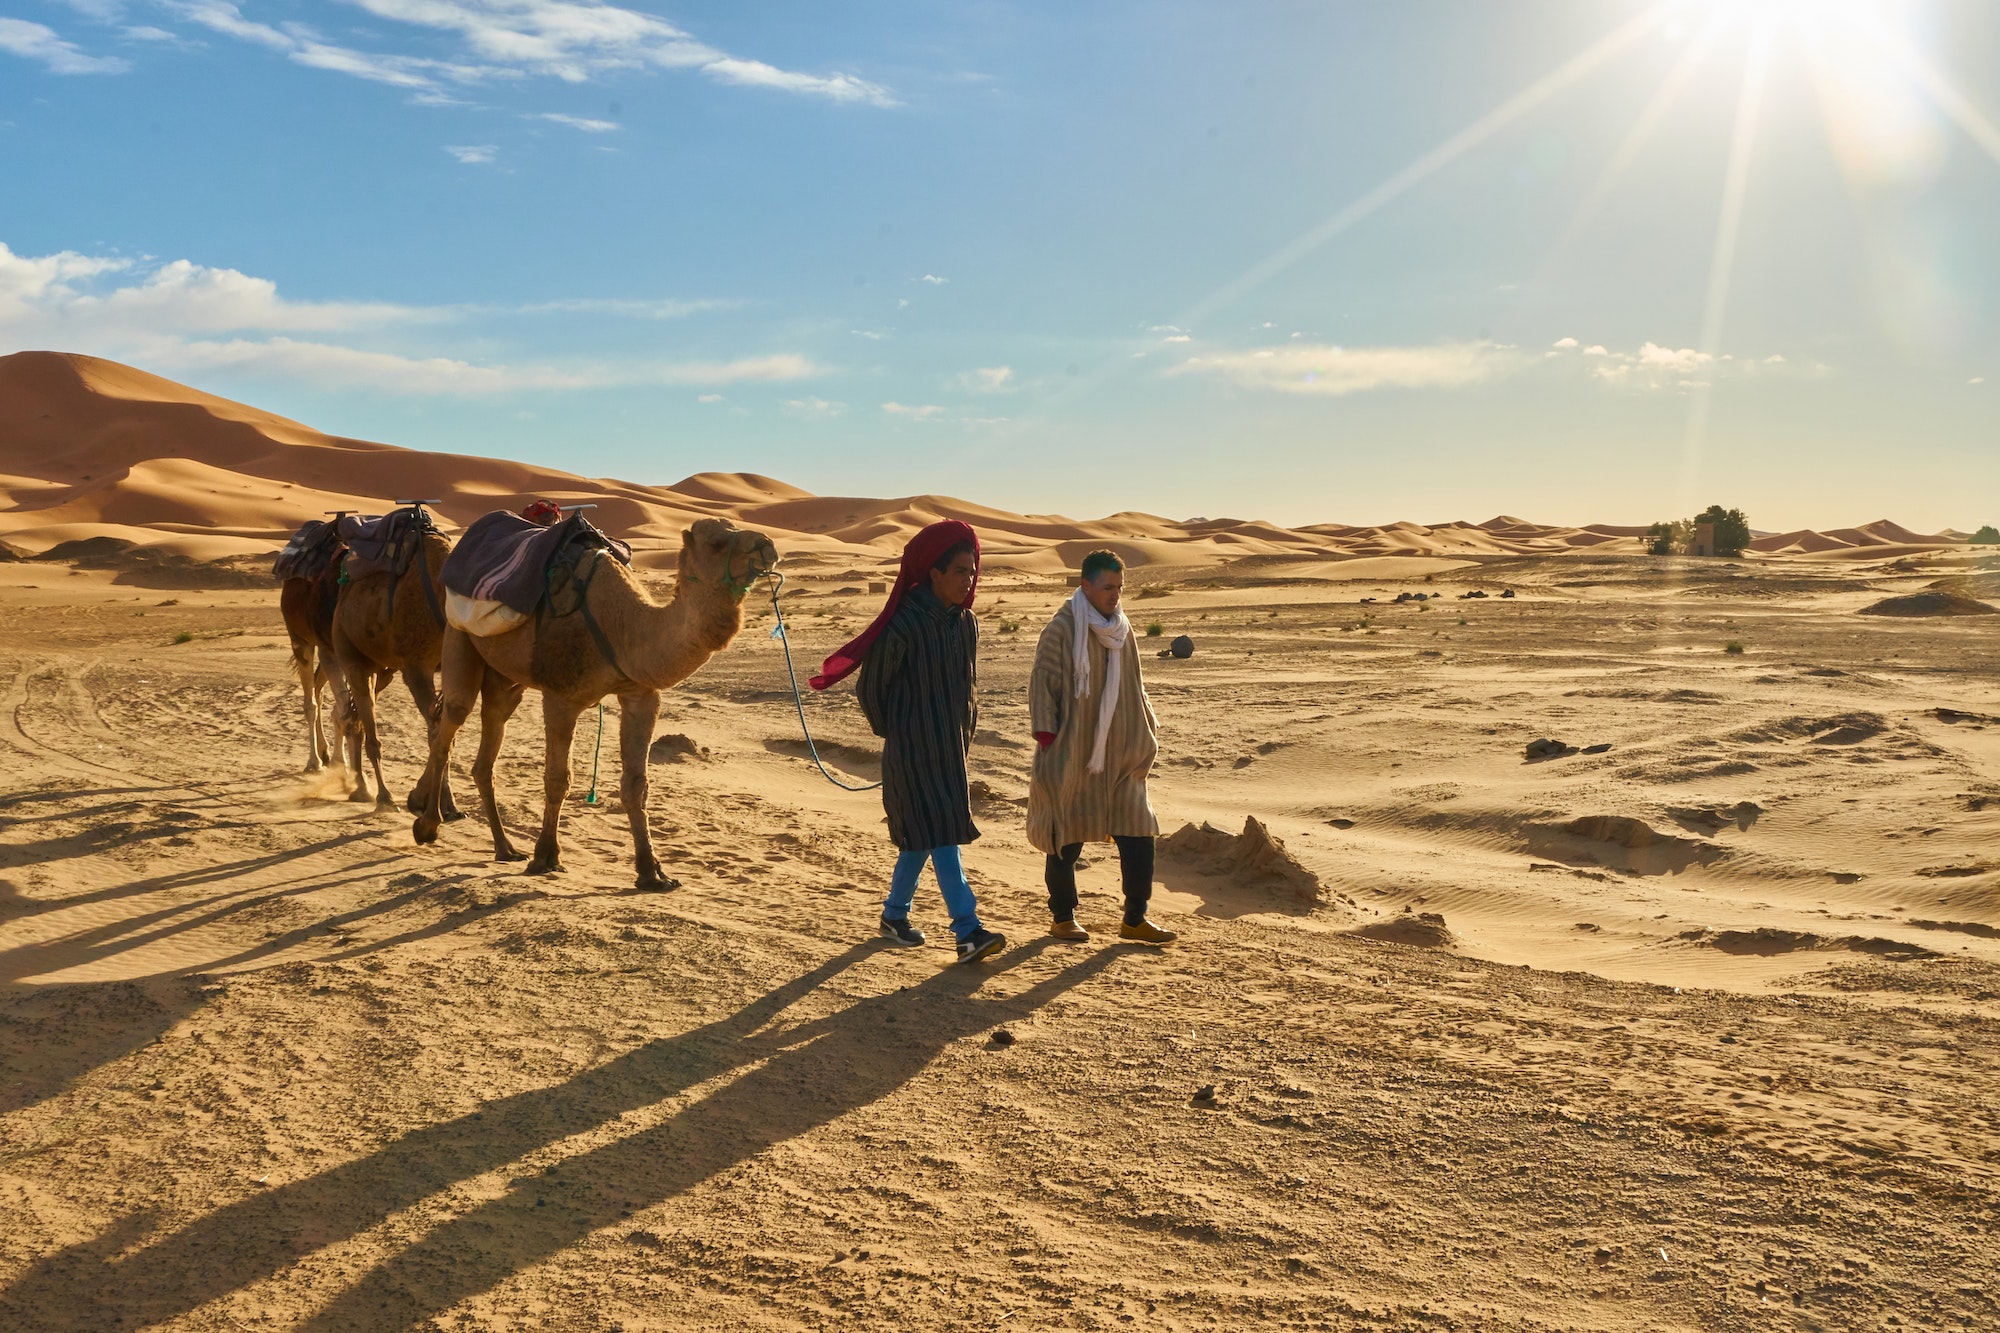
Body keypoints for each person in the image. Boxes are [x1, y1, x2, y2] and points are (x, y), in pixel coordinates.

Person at [811, 520, 1006, 964]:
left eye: (972, 571)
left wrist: (961, 734)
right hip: (913, 751)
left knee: (921, 838)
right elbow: (871, 690)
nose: (968, 580)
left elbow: (968, 689)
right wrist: (900, 732)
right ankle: (967, 929)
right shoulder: (903, 625)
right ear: (933, 573)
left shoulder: (966, 623)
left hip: (952, 750)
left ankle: (894, 915)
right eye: (959, 570)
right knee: (942, 836)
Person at [1027, 549, 1177, 945]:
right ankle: (1063, 917)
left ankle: (1135, 918)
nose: (1115, 595)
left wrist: (1147, 729)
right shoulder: (1062, 628)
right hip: (1073, 751)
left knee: (1139, 831)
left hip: (1122, 751)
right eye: (1108, 587)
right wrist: (1048, 736)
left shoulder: (1121, 629)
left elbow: (1135, 685)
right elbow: (1043, 681)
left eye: (1119, 587)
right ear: (1085, 585)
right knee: (1066, 835)